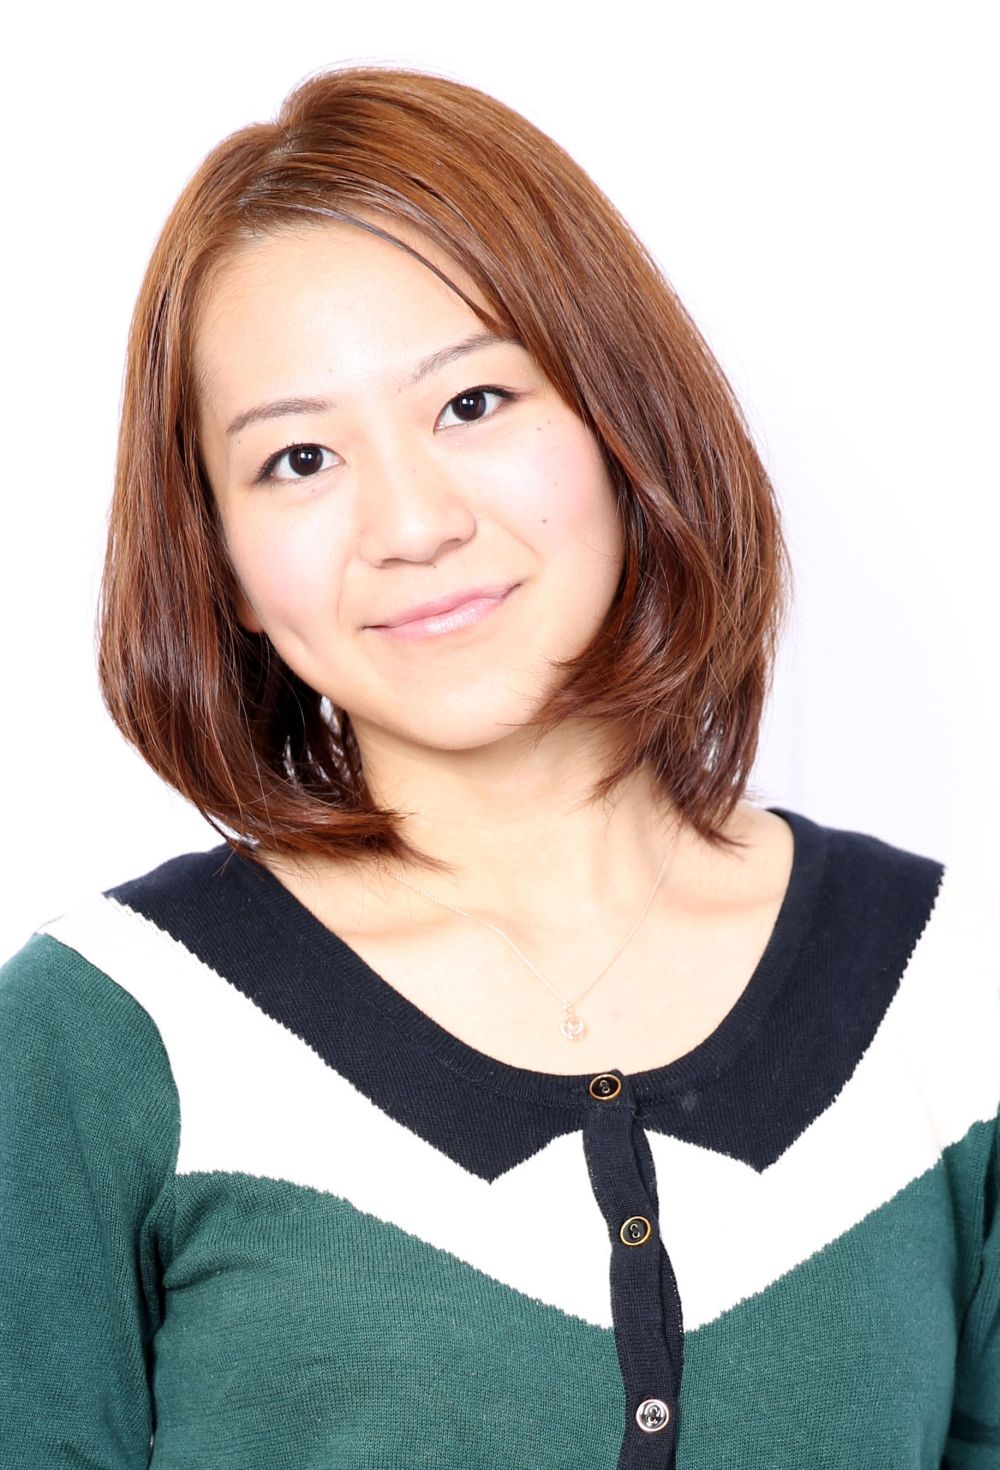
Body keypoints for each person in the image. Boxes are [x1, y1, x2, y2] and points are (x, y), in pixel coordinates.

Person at [0, 64, 995, 1470]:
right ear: (220, 561)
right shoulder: (106, 1036)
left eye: (472, 402)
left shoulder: (946, 988)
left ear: (621, 419)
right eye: (297, 459)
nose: (412, 524)